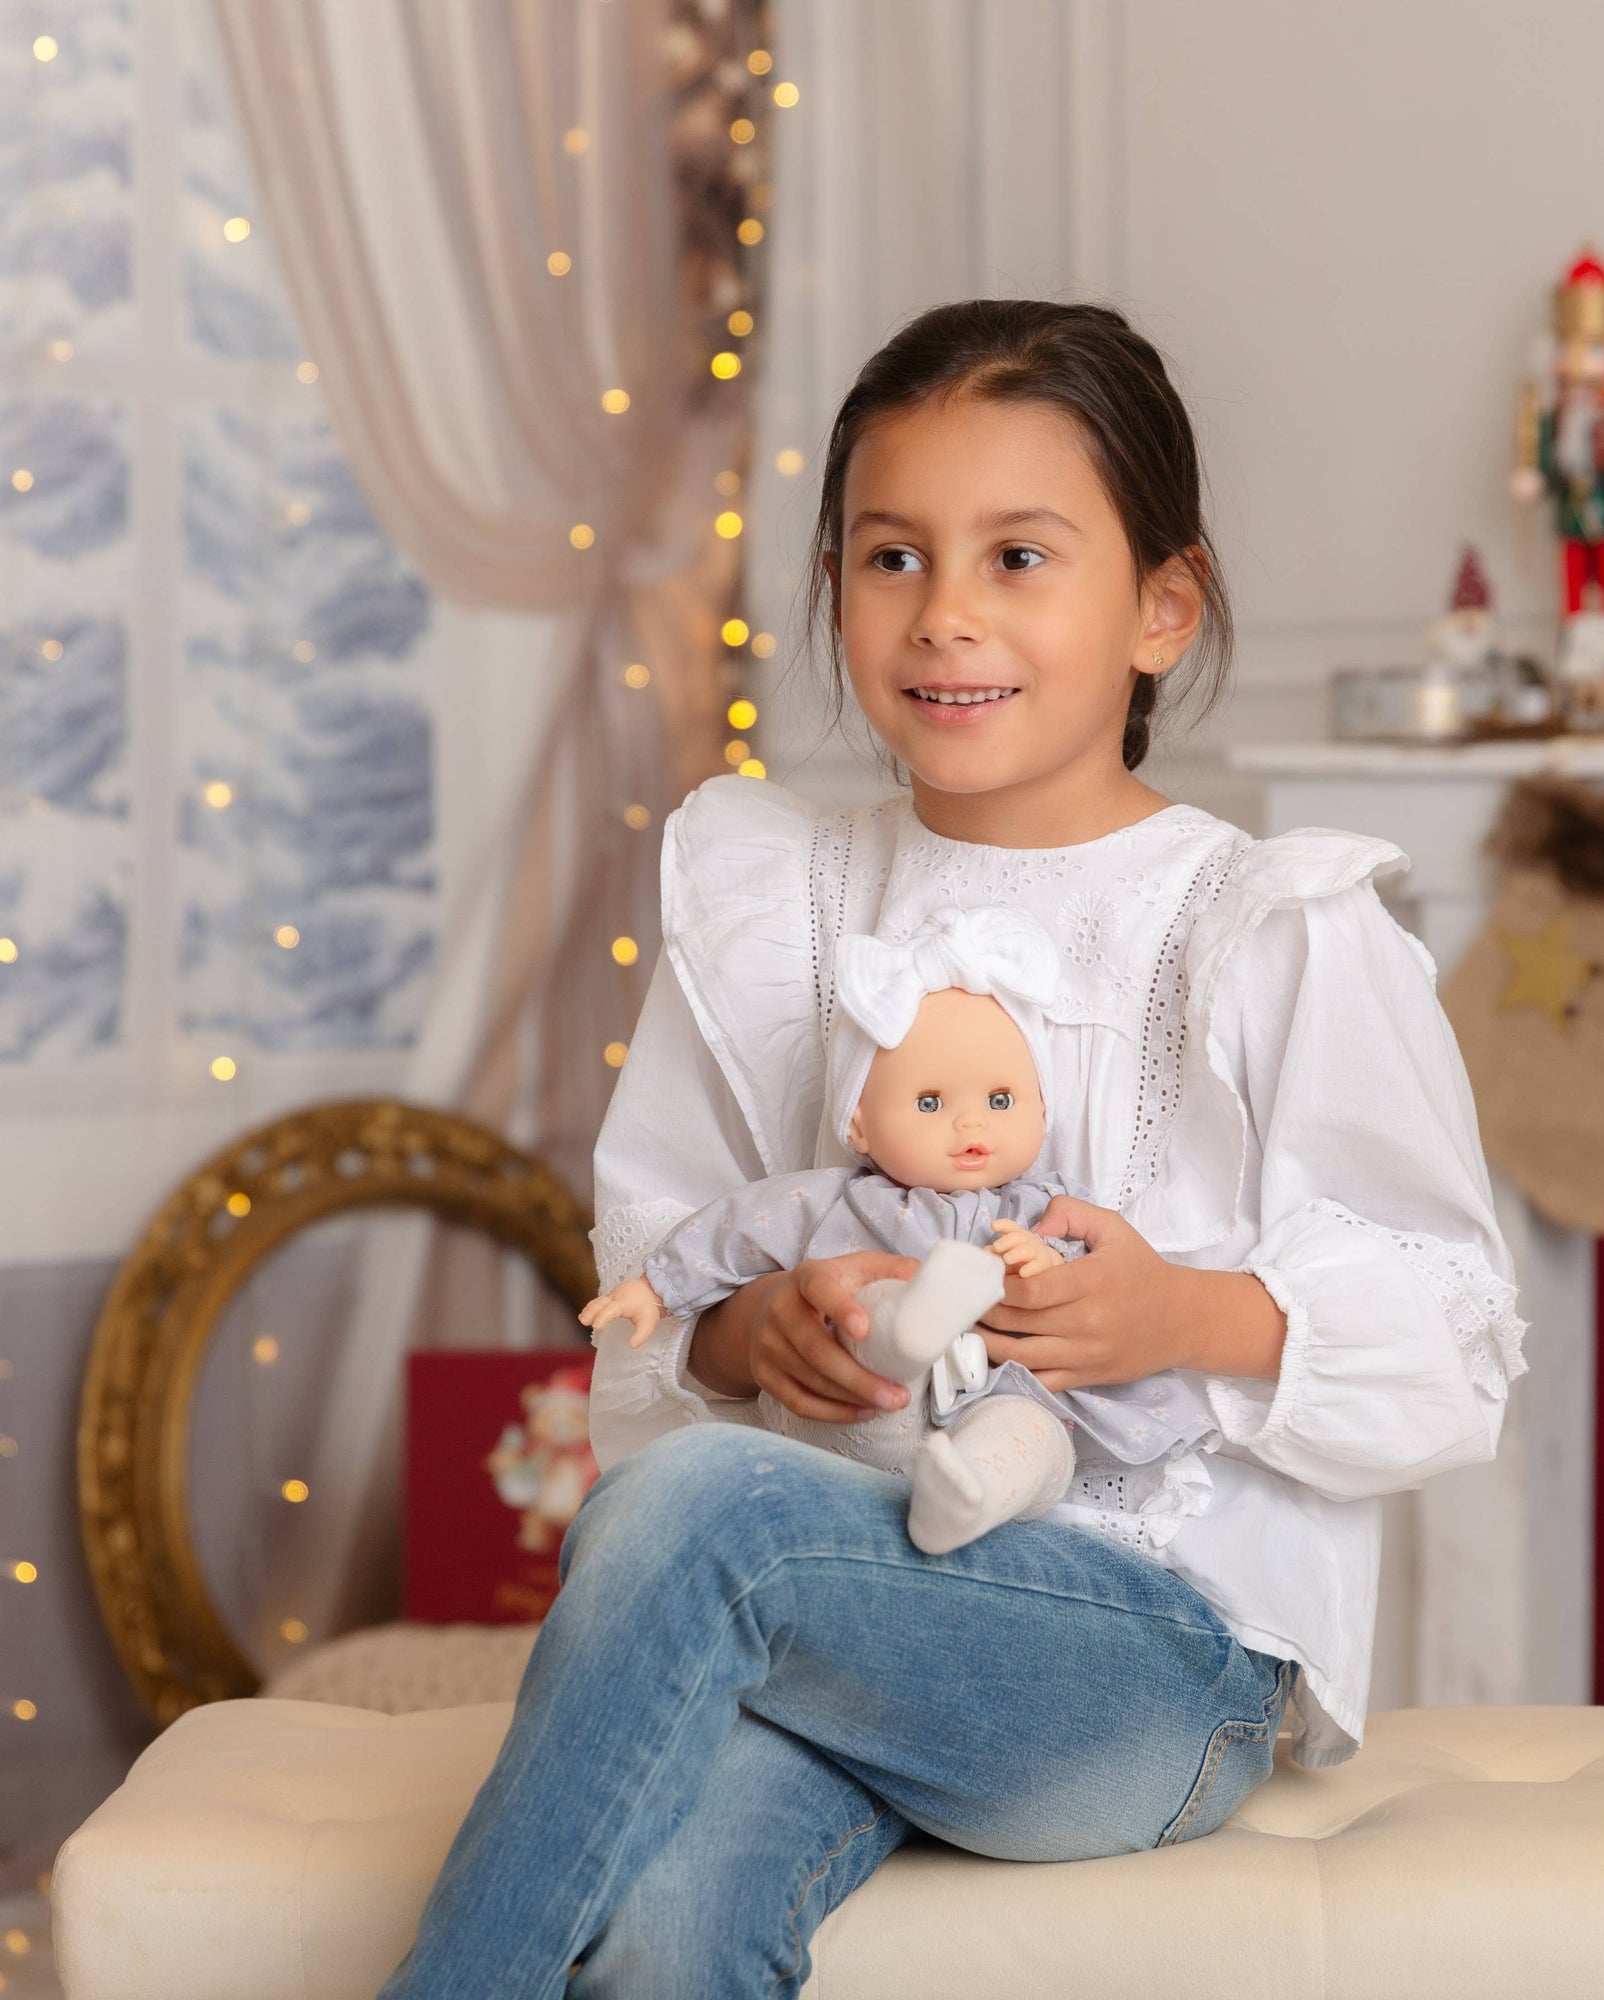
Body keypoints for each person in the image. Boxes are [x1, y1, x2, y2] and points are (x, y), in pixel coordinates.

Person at [377, 298, 1525, 1999]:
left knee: (706, 1518)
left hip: (1155, 1665)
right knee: (667, 1927)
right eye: (891, 557)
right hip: (845, 1623)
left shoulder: (1271, 925)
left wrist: (1185, 1320)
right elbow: (666, 1256)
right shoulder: (781, 896)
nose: (945, 616)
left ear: (1160, 607)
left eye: (1019, 557)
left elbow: (1459, 1343)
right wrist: (740, 1331)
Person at [577, 903, 1218, 1556]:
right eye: (931, 1103)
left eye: (999, 1101)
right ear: (857, 1125)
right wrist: (655, 1287)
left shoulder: (1039, 1211)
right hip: (868, 1401)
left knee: (1033, 1436)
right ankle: (903, 1328)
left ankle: (965, 1495)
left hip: (995, 1384)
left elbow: (1090, 1287)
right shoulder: (840, 1202)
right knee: (865, 1324)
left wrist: (1046, 1264)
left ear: (1041, 1110)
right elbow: (736, 1229)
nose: (970, 1126)